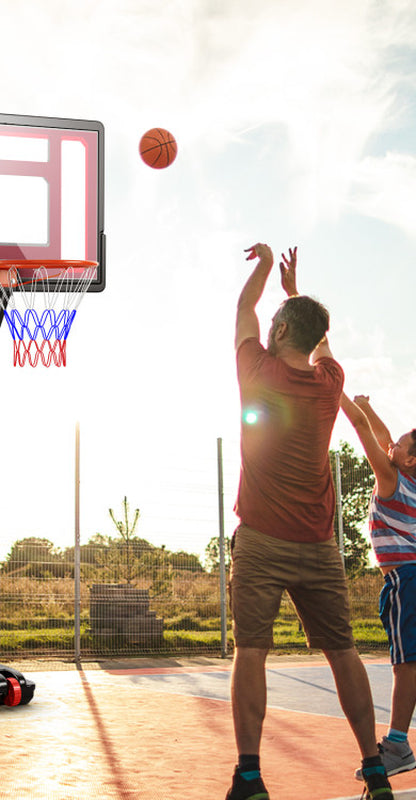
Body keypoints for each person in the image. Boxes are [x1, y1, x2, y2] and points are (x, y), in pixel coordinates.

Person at [227, 242, 393, 800]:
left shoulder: (256, 368)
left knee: (252, 650)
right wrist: (297, 294)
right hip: (319, 544)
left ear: (277, 333)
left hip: (261, 541)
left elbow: (243, 311)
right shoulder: (331, 382)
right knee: (342, 651)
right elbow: (321, 344)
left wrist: (268, 266)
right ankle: (374, 769)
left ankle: (249, 777)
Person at [340, 392, 416, 779]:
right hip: (410, 576)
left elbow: (365, 433)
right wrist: (369, 407)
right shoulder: (410, 480)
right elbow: (384, 435)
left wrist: (331, 385)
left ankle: (399, 743)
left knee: (407, 662)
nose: (391, 445)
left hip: (407, 578)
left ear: (409, 460)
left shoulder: (391, 480)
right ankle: (400, 740)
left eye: (398, 446)